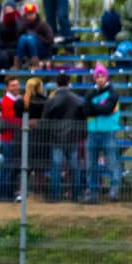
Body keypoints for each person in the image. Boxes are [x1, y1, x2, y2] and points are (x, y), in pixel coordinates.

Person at [41, 72, 85, 202]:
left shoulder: (52, 100)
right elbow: (83, 118)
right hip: (73, 137)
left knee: (56, 167)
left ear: (56, 84)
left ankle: (55, 195)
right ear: (69, 83)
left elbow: (45, 119)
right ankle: (76, 195)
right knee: (75, 167)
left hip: (56, 137)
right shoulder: (77, 100)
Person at [82, 65, 120, 202]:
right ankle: (92, 191)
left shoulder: (112, 93)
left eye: (102, 76)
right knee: (91, 165)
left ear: (106, 77)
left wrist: (93, 108)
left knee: (111, 162)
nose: (100, 79)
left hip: (108, 131)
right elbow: (85, 110)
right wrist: (96, 107)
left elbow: (107, 109)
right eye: (97, 76)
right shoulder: (90, 93)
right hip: (92, 131)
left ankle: (114, 189)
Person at [0, 76, 22, 201]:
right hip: (9, 138)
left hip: (13, 138)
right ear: (7, 88)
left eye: (17, 85)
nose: (16, 87)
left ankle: (6, 194)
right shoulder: (7, 102)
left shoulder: (16, 99)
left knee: (9, 167)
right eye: (13, 85)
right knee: (8, 168)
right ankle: (4, 196)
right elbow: (12, 120)